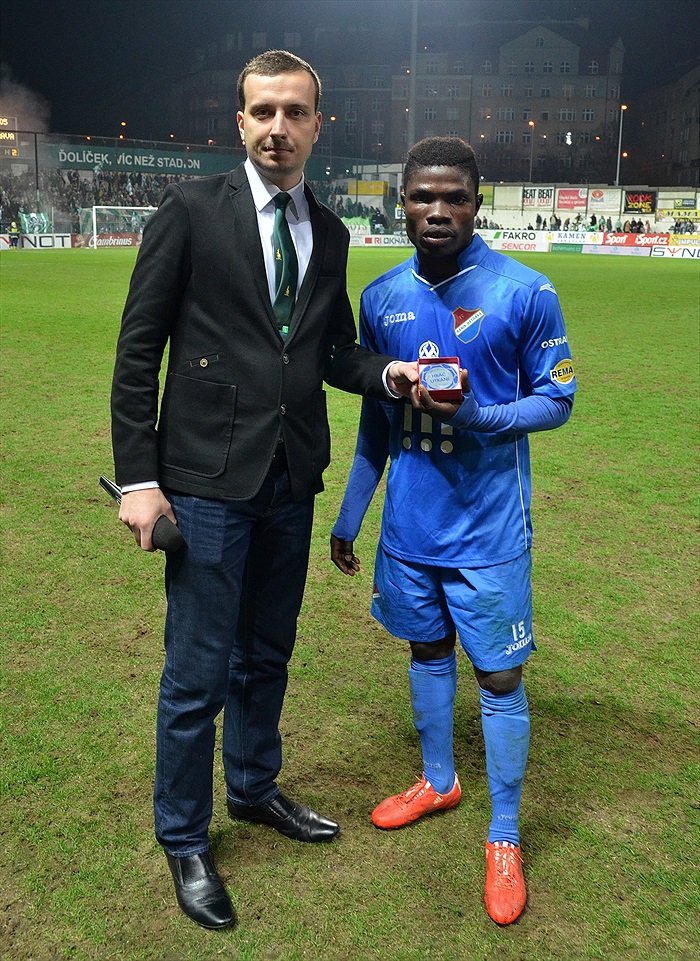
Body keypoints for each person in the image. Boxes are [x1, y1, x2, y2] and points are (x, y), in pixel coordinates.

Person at [110, 49, 417, 931]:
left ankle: (251, 788)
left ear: (320, 124)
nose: (278, 126)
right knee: (197, 673)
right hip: (202, 481)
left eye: (295, 112)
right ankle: (184, 837)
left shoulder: (331, 229)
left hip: (290, 477)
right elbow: (139, 350)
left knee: (267, 656)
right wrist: (139, 478)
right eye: (263, 112)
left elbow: (325, 352)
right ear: (239, 123)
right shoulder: (191, 209)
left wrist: (388, 372)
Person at [330, 137, 576, 926]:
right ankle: (439, 779)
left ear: (478, 202)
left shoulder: (525, 291)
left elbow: (558, 399)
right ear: (399, 200)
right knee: (427, 651)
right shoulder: (380, 298)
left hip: (490, 533)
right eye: (421, 197)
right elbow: (377, 420)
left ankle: (504, 835)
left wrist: (479, 414)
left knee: (500, 679)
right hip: (409, 532)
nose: (437, 212)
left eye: (455, 199)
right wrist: (350, 513)